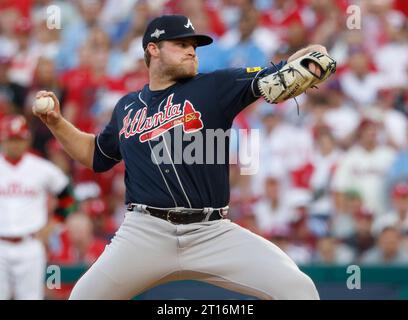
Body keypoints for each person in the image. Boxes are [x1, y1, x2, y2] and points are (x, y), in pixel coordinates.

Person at [33, 14, 333, 300]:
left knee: (298, 288)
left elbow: (283, 70)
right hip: (144, 233)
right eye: (181, 44)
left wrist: (313, 55)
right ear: (153, 49)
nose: (191, 51)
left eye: (194, 46)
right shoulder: (127, 107)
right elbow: (96, 155)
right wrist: (57, 122)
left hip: (210, 231)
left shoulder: (215, 86)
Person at [0, 114, 76, 300]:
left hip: (30, 243)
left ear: (27, 140)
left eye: (19, 139)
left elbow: (68, 196)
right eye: (11, 139)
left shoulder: (41, 168)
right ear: (3, 139)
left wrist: (55, 223)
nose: (15, 144)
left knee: (31, 297)